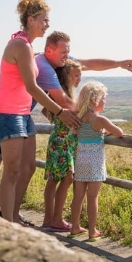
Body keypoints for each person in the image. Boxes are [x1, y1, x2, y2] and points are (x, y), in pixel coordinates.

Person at [0, 29, 132, 218]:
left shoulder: (58, 60)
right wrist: (90, 115)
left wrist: (119, 64)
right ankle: (0, 211)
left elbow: (89, 64)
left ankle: (3, 212)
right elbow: (63, 101)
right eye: (63, 52)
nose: (67, 55)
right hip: (1, 109)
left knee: (0, 158)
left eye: (68, 51)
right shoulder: (44, 65)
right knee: (1, 159)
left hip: (11, 109)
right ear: (49, 50)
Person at [0, 0, 74, 225]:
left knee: (27, 168)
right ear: (31, 19)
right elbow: (31, 86)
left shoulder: (27, 45)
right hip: (8, 114)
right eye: (44, 20)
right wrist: (59, 111)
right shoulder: (20, 46)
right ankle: (8, 225)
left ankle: (14, 215)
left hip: (23, 114)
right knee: (12, 171)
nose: (47, 25)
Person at [68, 81, 124, 239]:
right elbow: (119, 132)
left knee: (78, 196)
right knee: (92, 197)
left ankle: (75, 227)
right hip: (94, 162)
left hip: (81, 160)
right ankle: (92, 231)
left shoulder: (79, 118)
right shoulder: (99, 120)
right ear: (95, 99)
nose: (105, 101)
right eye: (103, 98)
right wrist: (105, 131)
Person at [41, 61, 83, 230]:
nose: (79, 79)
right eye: (76, 75)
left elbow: (46, 111)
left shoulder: (56, 95)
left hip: (57, 139)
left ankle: (48, 220)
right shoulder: (64, 98)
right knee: (67, 178)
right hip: (64, 140)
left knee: (54, 179)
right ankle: (57, 219)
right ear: (66, 77)